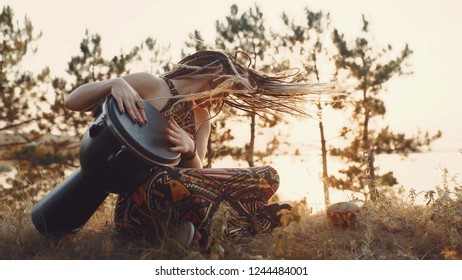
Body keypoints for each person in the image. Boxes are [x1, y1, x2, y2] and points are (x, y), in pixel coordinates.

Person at [65, 50, 330, 249]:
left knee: (268, 175)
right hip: (142, 199)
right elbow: (71, 101)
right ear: (215, 70)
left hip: (184, 195)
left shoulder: (202, 118)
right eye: (226, 88)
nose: (224, 97)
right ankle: (245, 224)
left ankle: (194, 233)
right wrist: (114, 84)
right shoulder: (152, 85)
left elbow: (199, 174)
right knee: (168, 180)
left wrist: (191, 151)